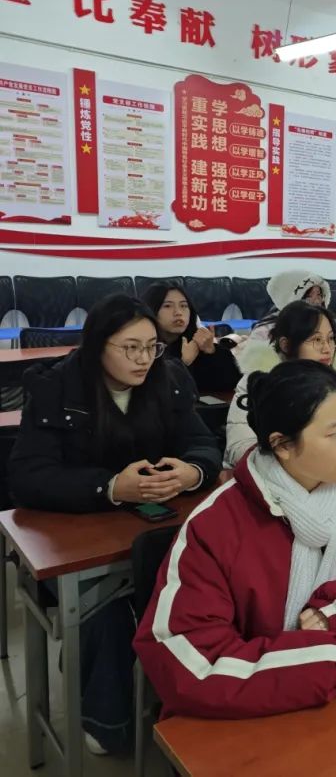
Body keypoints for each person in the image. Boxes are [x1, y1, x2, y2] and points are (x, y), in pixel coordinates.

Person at [133, 360, 336, 720]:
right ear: (281, 445)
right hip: (252, 712)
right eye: (335, 434)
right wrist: (330, 661)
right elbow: (188, 658)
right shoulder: (216, 526)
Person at [10, 294, 222, 754]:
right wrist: (109, 487)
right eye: (131, 348)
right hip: (72, 539)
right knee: (106, 606)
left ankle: (181, 701)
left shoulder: (168, 379)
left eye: (152, 347)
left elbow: (204, 443)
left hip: (152, 529)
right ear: (97, 345)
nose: (144, 359)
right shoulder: (56, 387)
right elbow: (27, 477)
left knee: (201, 585)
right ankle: (107, 719)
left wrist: (192, 472)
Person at [226, 301, 336, 467]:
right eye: (316, 339)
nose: (327, 348)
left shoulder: (335, 378)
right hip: (268, 474)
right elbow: (239, 447)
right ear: (286, 345)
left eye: (330, 339)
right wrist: (305, 460)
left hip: (326, 470)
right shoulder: (258, 381)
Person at [142, 281, 241, 392]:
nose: (178, 312)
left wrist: (212, 351)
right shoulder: (142, 348)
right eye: (167, 306)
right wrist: (184, 363)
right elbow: (153, 392)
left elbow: (231, 383)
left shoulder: (195, 343)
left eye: (184, 306)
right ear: (152, 310)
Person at [249, 269, 336, 359]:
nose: (316, 301)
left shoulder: (335, 326)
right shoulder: (265, 331)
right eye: (308, 296)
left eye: (319, 295)